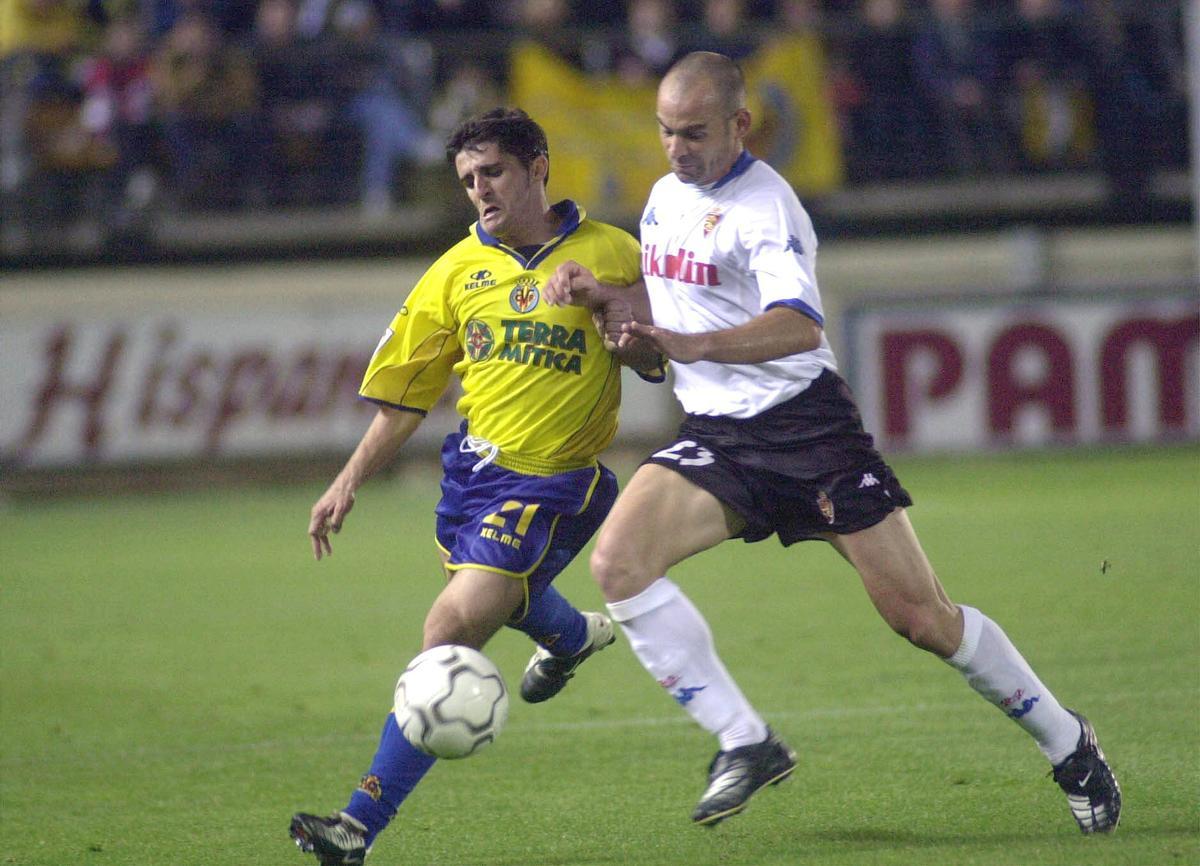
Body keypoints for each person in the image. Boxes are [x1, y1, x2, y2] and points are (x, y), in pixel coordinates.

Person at [544, 51, 1121, 834]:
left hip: (808, 432)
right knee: (617, 562)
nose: (676, 148)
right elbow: (675, 309)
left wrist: (694, 347)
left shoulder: (766, 208)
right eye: (665, 131)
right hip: (718, 438)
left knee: (924, 620)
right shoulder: (663, 198)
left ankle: (1069, 742)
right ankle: (745, 741)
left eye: (694, 133)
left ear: (740, 125)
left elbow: (798, 323)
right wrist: (615, 303)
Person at [289, 107, 663, 865]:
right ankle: (568, 634)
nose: (479, 190)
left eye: (492, 171)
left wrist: (607, 311)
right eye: (467, 178)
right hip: (472, 479)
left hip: (558, 483)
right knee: (492, 594)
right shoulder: (455, 271)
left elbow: (656, 361)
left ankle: (357, 824)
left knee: (448, 632)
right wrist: (348, 480)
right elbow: (406, 396)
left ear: (538, 167)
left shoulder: (613, 252)